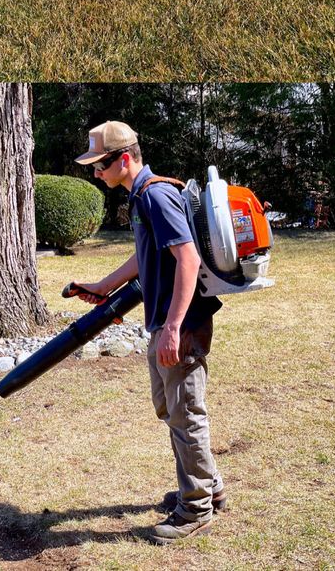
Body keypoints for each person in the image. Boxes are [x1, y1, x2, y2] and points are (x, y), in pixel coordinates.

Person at [73, 120, 226, 545]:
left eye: (99, 165)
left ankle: (195, 507)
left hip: (182, 324)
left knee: (185, 413)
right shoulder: (141, 196)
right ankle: (208, 485)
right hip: (164, 322)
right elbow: (145, 255)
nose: (95, 173)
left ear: (124, 159)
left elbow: (189, 261)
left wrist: (174, 328)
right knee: (171, 409)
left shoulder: (155, 195)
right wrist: (104, 286)